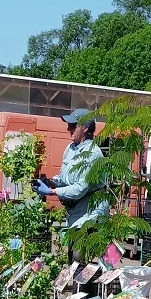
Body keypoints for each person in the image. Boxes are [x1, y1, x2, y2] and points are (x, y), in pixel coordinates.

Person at [32, 108, 106, 262]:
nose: (68, 129)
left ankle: (83, 286)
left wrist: (51, 191)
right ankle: (81, 285)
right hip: (76, 213)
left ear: (85, 128)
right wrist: (50, 181)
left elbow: (79, 189)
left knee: (79, 258)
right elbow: (64, 177)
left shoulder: (93, 154)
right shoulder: (70, 149)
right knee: (72, 257)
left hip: (90, 213)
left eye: (73, 125)